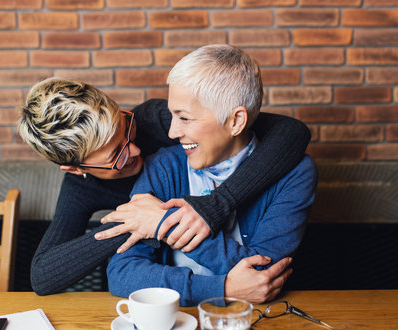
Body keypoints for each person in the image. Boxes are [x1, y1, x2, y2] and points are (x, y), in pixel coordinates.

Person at [18, 71, 310, 295]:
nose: (134, 150)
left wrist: (217, 205)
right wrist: (141, 222)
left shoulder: (152, 121)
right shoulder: (79, 190)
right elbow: (43, 276)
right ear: (74, 169)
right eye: (115, 155)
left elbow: (291, 131)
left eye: (126, 130)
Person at [104, 44, 317, 306]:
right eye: (172, 115)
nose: (171, 133)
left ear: (236, 121)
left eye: (184, 118)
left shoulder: (295, 174)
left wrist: (165, 223)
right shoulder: (163, 165)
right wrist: (220, 289)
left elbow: (262, 278)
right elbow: (121, 273)